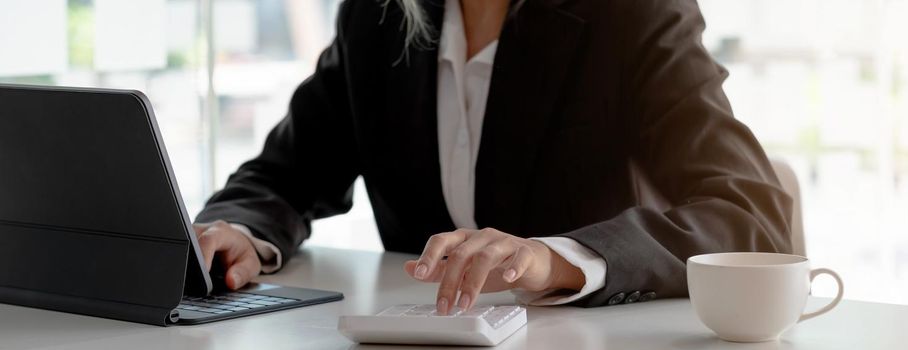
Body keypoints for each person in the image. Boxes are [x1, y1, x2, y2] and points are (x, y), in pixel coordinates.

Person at [193, 0, 793, 315]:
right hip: (418, 337)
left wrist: (555, 260)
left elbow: (751, 217)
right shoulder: (377, 15)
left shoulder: (632, 12)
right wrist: (243, 230)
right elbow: (287, 172)